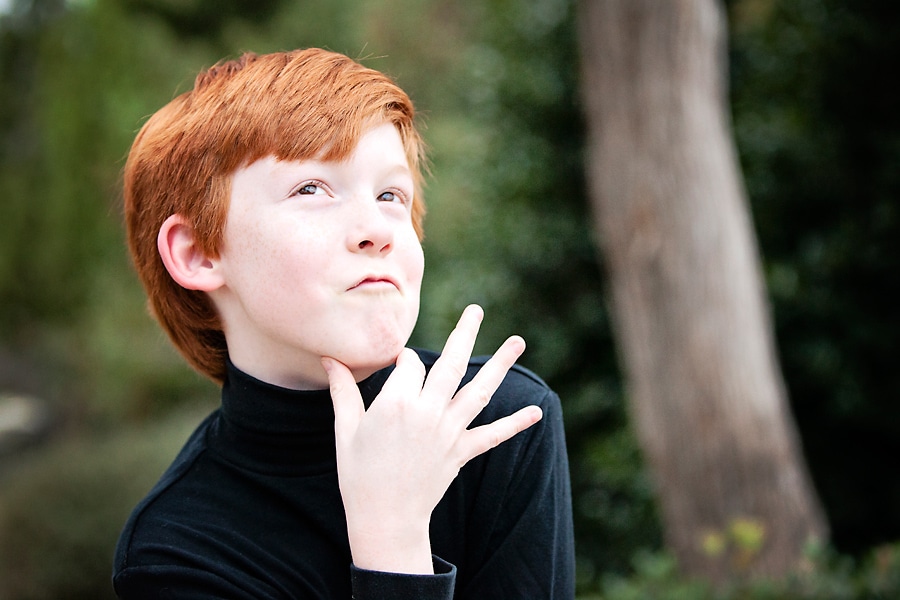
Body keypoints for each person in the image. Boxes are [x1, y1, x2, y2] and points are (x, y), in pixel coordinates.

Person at [112, 48, 574, 599]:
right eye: (311, 189)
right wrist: (392, 545)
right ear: (197, 254)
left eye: (390, 194)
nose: (377, 229)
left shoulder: (502, 424)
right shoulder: (175, 553)